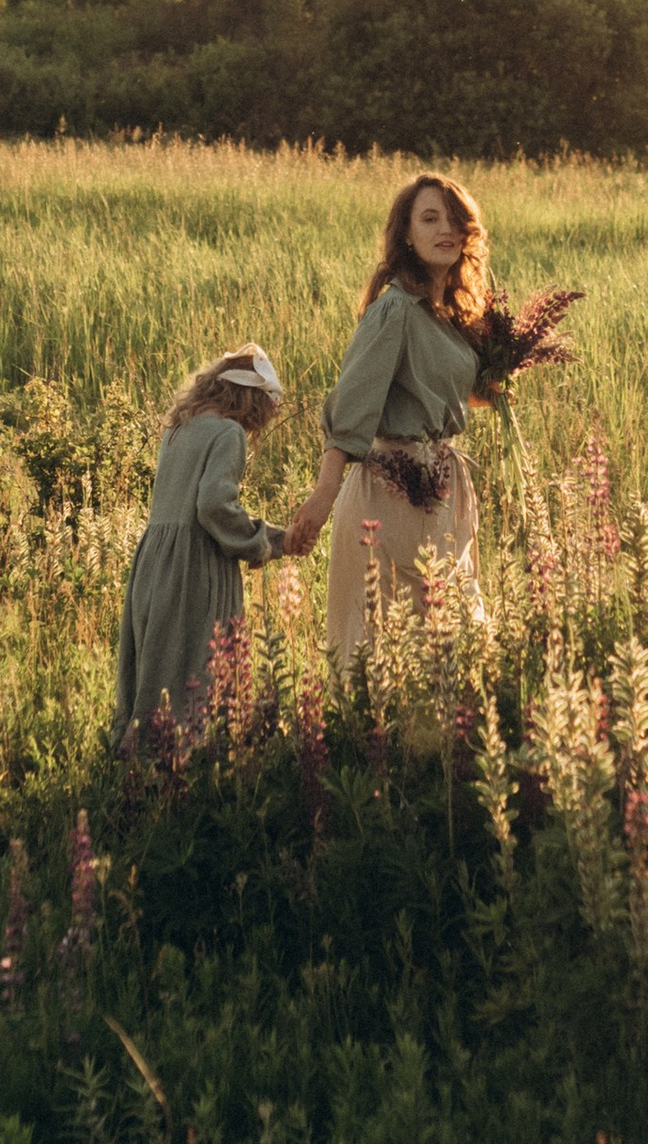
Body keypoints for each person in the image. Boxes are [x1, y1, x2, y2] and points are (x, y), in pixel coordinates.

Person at [284, 173, 487, 669]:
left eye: (454, 218)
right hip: (391, 494)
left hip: (445, 491)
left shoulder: (448, 314)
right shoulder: (394, 309)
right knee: (391, 645)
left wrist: (502, 363)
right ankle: (374, 745)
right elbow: (353, 409)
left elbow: (449, 392)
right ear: (407, 236)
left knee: (456, 637)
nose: (446, 229)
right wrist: (323, 494)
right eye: (430, 218)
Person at [113, 344, 292, 744]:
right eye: (271, 401)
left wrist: (274, 537)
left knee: (156, 673)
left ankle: (134, 772)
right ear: (251, 397)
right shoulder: (228, 433)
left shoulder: (178, 430)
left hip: (155, 566)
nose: (274, 413)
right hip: (196, 569)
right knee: (197, 677)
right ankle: (188, 776)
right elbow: (213, 505)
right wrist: (263, 542)